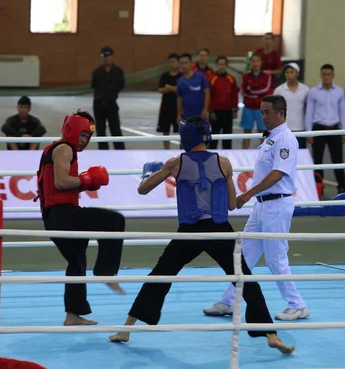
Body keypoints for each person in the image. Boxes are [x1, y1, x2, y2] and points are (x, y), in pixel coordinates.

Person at [108, 116, 294, 355]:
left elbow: (142, 190)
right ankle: (271, 335)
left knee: (159, 276)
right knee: (245, 280)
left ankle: (126, 329)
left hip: (190, 232)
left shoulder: (175, 163)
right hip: (219, 230)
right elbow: (230, 204)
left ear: (186, 136)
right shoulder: (224, 163)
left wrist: (148, 174)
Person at [203, 95, 309, 322]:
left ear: (280, 113)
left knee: (276, 258)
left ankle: (297, 304)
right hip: (262, 206)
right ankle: (228, 301)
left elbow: (277, 174)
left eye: (267, 112)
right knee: (243, 255)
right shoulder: (270, 138)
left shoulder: (286, 140)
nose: (262, 117)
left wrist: (248, 193)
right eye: (261, 112)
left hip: (276, 205)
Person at [34, 110, 126, 326]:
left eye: (88, 137)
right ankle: (105, 271)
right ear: (72, 130)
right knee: (114, 221)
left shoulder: (57, 148)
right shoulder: (65, 149)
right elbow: (61, 183)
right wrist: (85, 179)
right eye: (83, 135)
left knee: (77, 259)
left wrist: (85, 183)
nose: (85, 141)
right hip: (62, 215)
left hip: (55, 216)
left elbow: (59, 187)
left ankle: (72, 315)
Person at [305, 63, 345, 194]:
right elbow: (309, 113)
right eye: (324, 74)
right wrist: (309, 132)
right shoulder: (313, 92)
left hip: (334, 129)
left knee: (338, 160)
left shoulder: (339, 91)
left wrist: (344, 130)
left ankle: (342, 186)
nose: (326, 77)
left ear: (333, 75)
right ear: (321, 75)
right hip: (318, 129)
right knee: (317, 160)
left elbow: (342, 112)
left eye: (329, 74)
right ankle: (318, 187)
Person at [91, 46, 126, 150]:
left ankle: (120, 150)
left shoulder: (118, 71)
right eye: (104, 56)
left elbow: (121, 85)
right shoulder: (96, 72)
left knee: (115, 129)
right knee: (100, 130)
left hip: (111, 103)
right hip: (99, 104)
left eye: (108, 56)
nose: (106, 59)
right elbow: (94, 86)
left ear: (112, 57)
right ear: (101, 58)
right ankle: (103, 150)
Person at [240, 53, 273, 149]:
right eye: (253, 61)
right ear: (250, 63)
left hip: (262, 109)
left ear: (261, 63)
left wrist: (251, 90)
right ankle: (244, 154)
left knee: (263, 131)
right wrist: (256, 94)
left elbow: (265, 89)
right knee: (246, 132)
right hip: (248, 108)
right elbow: (242, 91)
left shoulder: (267, 75)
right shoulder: (245, 76)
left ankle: (264, 153)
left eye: (257, 61)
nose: (255, 63)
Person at [273, 63, 309, 148]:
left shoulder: (306, 90)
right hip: (284, 129)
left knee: (300, 154)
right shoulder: (279, 90)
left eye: (292, 72)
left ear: (297, 73)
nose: (289, 75)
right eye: (287, 72)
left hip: (301, 128)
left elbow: (309, 110)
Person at [208, 55, 239, 149]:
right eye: (219, 64)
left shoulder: (231, 79)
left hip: (228, 112)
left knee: (227, 138)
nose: (221, 66)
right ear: (216, 65)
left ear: (227, 66)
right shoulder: (211, 79)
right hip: (215, 113)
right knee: (213, 138)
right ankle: (212, 158)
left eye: (223, 64)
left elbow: (234, 95)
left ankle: (227, 159)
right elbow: (208, 97)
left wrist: (235, 110)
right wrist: (211, 111)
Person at [156, 52, 182, 150]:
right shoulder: (164, 76)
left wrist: (169, 88)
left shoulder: (181, 77)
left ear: (178, 63)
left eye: (174, 62)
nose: (172, 64)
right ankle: (166, 150)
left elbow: (180, 90)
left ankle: (181, 149)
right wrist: (173, 89)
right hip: (166, 106)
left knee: (180, 130)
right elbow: (160, 89)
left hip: (178, 107)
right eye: (170, 62)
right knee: (165, 130)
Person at [176, 53, 210, 122]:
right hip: (187, 114)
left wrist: (205, 109)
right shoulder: (180, 81)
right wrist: (179, 114)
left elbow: (207, 92)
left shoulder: (200, 77)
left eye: (186, 63)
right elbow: (179, 98)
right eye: (181, 63)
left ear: (191, 63)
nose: (183, 65)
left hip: (200, 114)